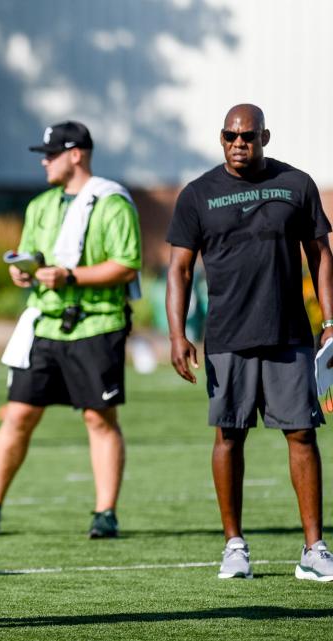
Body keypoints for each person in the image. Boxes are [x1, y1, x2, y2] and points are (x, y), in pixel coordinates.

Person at [166, 103, 333, 581]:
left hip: (289, 336)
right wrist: (178, 334)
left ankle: (314, 549)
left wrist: (330, 322)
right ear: (221, 138)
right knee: (229, 437)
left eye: (249, 136)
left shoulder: (297, 185)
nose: (240, 143)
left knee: (302, 433)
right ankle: (234, 546)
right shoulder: (197, 194)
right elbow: (178, 270)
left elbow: (321, 255)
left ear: (265, 136)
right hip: (227, 338)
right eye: (231, 136)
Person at [0, 121, 141, 539]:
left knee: (98, 419)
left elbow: (126, 265)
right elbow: (31, 256)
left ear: (77, 154)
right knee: (18, 415)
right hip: (44, 324)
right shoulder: (40, 205)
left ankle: (105, 513)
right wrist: (24, 272)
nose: (44, 161)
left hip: (97, 325)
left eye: (51, 153)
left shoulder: (112, 202)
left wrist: (69, 276)